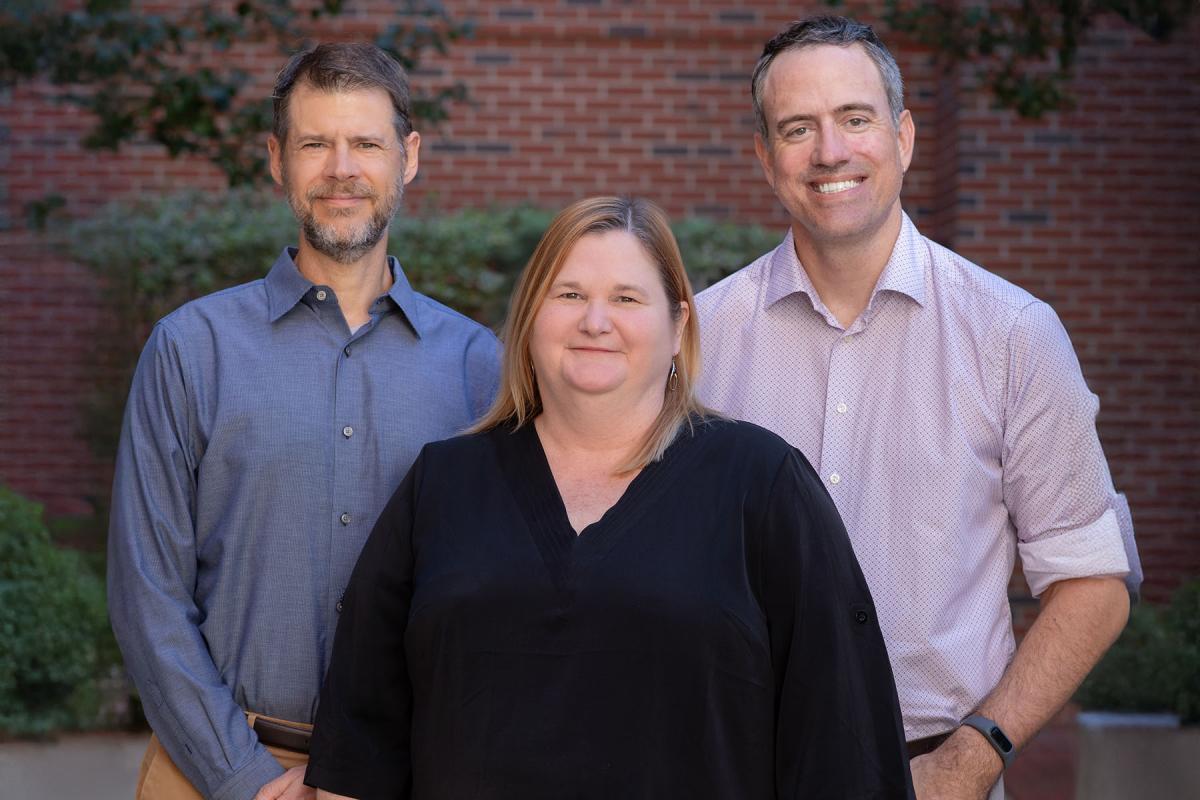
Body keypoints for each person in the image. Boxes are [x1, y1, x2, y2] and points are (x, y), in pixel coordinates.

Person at [303, 196, 914, 799]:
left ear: (678, 326)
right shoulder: (444, 485)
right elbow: (360, 745)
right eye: (569, 295)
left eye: (626, 298)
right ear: (530, 318)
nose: (595, 321)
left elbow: (842, 743)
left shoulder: (762, 482)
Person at [696, 15, 1139, 800]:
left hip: (935, 776)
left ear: (902, 136)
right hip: (733, 767)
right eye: (798, 128)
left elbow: (1092, 582)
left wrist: (972, 760)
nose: (830, 152)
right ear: (766, 160)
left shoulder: (1011, 337)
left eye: (855, 119)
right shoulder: (697, 342)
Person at [107, 43, 500, 800]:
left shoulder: (477, 367)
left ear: (409, 157)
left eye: (366, 144)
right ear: (277, 160)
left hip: (407, 772)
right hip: (209, 772)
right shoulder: (192, 349)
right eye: (315, 143)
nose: (341, 169)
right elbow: (146, 592)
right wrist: (243, 776)